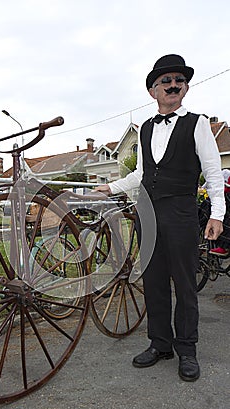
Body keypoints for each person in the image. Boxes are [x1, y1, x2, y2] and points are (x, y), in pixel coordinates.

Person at [95, 54, 225, 381]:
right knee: (152, 281)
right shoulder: (145, 129)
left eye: (178, 80)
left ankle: (187, 349)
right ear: (153, 91)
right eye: (165, 81)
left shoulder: (196, 123)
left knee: (184, 283)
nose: (172, 85)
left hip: (181, 212)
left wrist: (217, 214)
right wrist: (108, 188)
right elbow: (140, 173)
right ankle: (160, 343)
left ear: (186, 88)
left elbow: (212, 172)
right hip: (147, 213)